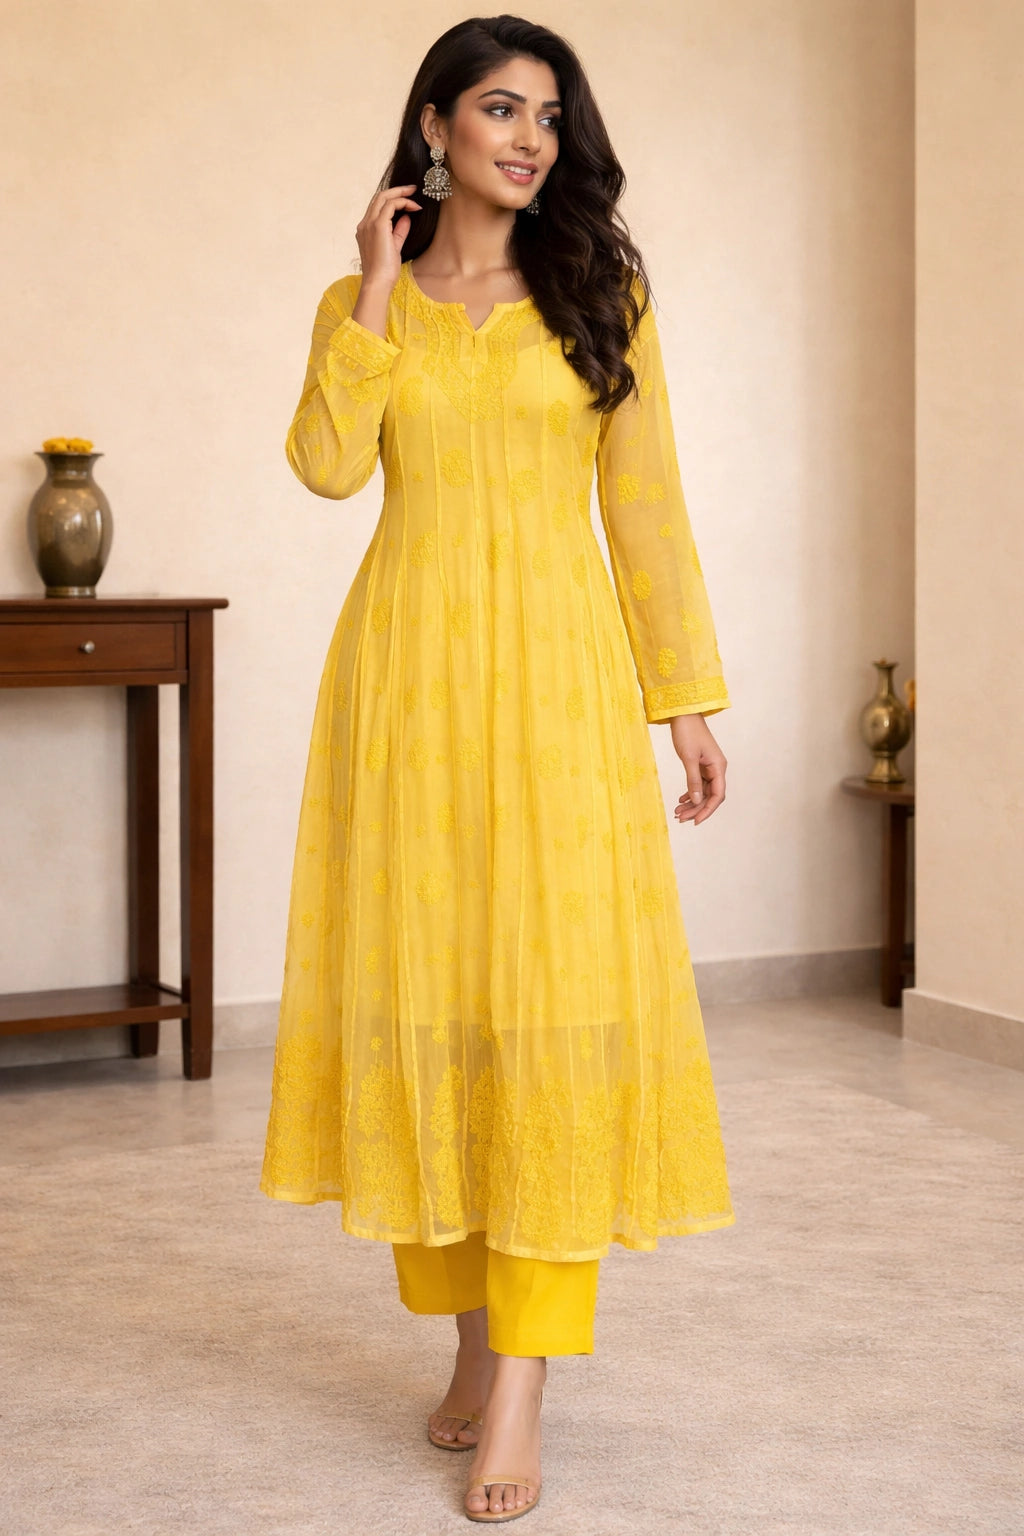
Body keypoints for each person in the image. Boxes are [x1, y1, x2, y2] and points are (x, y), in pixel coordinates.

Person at [260, 14, 735, 1524]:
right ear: (435, 129)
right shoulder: (365, 302)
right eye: (499, 110)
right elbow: (329, 469)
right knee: (438, 1008)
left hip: (557, 691)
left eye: (549, 115)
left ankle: (526, 1381)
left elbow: (646, 509)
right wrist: (380, 287)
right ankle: (468, 1348)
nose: (528, 139)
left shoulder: (603, 294)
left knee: (547, 1015)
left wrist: (687, 703)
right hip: (401, 692)